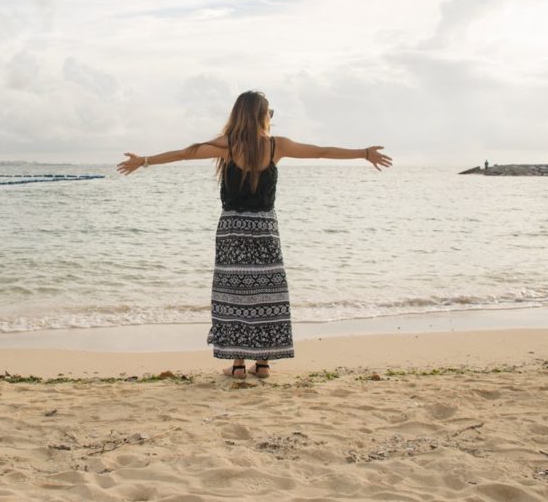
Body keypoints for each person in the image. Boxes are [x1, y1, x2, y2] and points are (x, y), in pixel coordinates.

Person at [117, 91, 392, 379]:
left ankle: (237, 364)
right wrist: (363, 153)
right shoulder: (277, 146)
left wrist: (144, 161)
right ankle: (263, 364)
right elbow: (321, 151)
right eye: (268, 112)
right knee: (266, 293)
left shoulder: (228, 145)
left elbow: (184, 154)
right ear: (261, 115)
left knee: (234, 292)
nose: (270, 117)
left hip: (232, 229)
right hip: (265, 230)